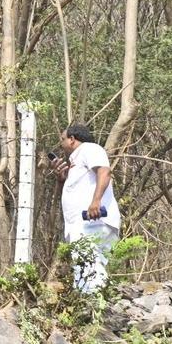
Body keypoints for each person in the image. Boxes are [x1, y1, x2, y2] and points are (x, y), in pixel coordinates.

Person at [51, 124, 122, 293]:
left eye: (63, 139)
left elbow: (105, 172)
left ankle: (93, 307)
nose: (61, 144)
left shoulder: (89, 149)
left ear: (72, 139)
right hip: (83, 224)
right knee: (89, 266)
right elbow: (72, 192)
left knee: (88, 266)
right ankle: (95, 304)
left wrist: (95, 202)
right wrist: (62, 179)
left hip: (92, 220)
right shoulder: (76, 164)